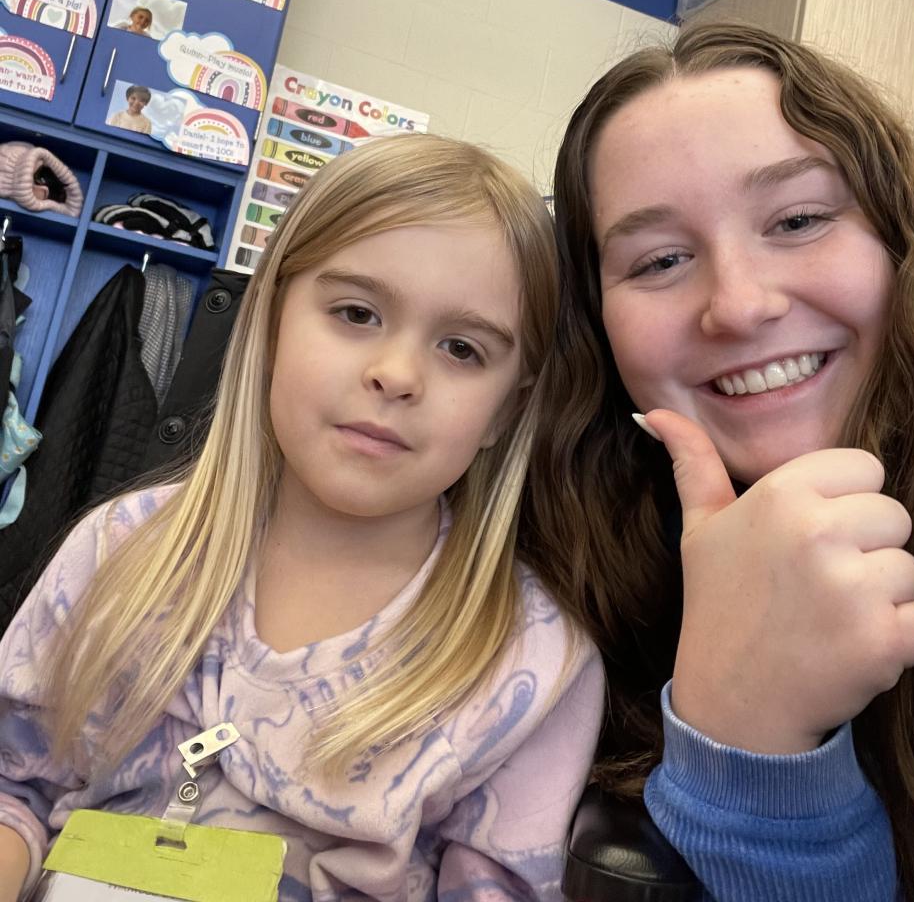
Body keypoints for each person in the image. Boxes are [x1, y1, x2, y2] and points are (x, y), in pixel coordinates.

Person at [0, 134, 604, 902]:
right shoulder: (120, 546)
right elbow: (14, 788)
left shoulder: (534, 661)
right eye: (356, 312)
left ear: (505, 410)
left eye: (462, 349)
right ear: (272, 322)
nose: (397, 374)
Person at [521, 22, 914, 902]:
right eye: (660, 260)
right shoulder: (549, 588)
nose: (739, 305)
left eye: (798, 220)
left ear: (902, 240)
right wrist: (746, 746)